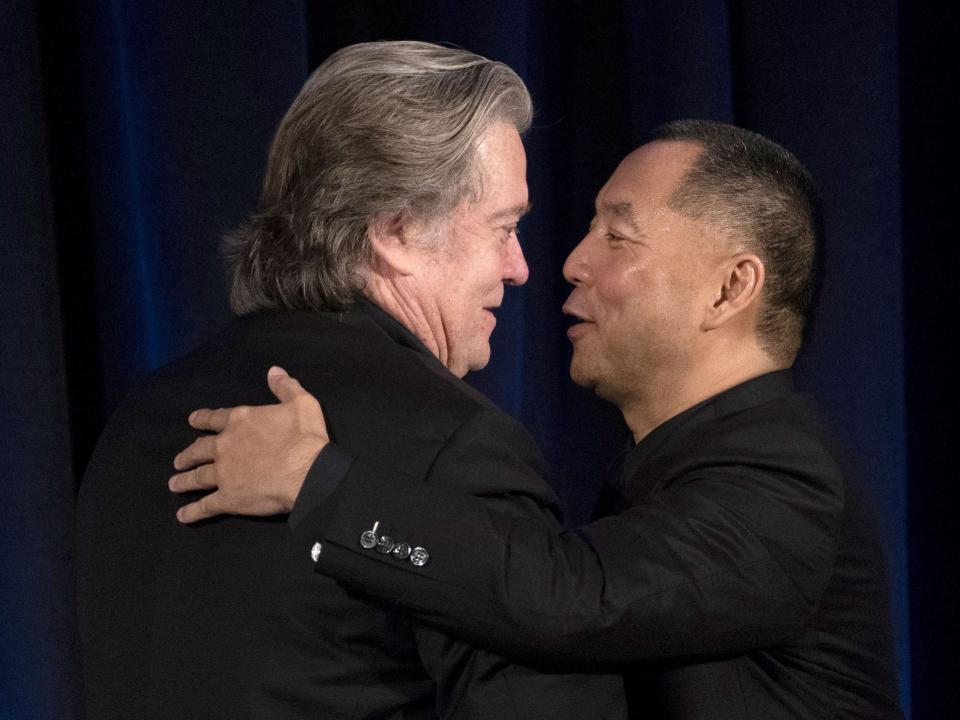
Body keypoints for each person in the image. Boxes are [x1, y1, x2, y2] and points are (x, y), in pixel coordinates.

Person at [170, 120, 904, 718]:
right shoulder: (680, 467)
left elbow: (574, 600)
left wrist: (319, 485)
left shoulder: (788, 475)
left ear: (730, 288)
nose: (571, 262)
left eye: (618, 236)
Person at [76, 40, 626, 720]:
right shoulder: (459, 447)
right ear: (395, 229)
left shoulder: (141, 416)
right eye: (503, 228)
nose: (520, 267)